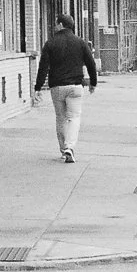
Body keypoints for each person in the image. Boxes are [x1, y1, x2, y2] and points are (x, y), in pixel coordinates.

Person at [34, 14, 98, 162]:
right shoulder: (80, 43)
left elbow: (43, 67)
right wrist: (93, 83)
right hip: (75, 86)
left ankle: (64, 150)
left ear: (61, 25)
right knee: (74, 118)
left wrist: (37, 87)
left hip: (57, 87)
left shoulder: (50, 43)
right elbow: (91, 64)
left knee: (61, 118)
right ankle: (70, 147)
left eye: (57, 24)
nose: (55, 27)